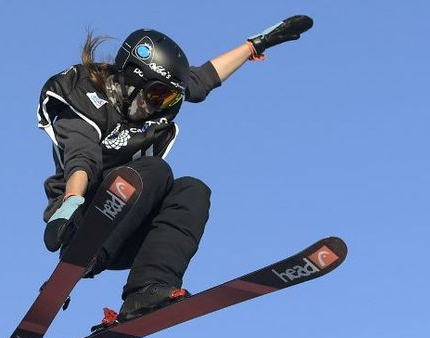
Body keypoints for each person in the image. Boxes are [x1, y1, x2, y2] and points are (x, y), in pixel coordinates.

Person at [36, 15, 314, 322]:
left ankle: (148, 290)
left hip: (127, 229)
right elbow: (81, 156)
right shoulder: (85, 97)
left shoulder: (155, 108)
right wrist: (70, 203)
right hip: (81, 220)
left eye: (167, 98)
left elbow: (202, 80)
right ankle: (81, 257)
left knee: (193, 190)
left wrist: (254, 45)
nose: (158, 106)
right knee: (155, 170)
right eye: (156, 95)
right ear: (131, 80)